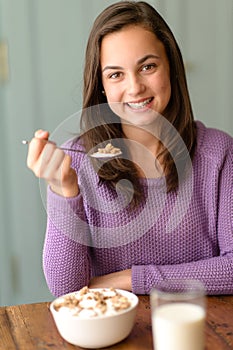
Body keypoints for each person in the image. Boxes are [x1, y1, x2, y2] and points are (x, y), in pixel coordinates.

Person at [27, 1, 233, 297]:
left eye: (147, 67)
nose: (135, 87)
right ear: (101, 85)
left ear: (171, 68)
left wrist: (128, 279)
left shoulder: (218, 153)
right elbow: (66, 291)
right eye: (116, 74)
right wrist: (63, 189)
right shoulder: (75, 162)